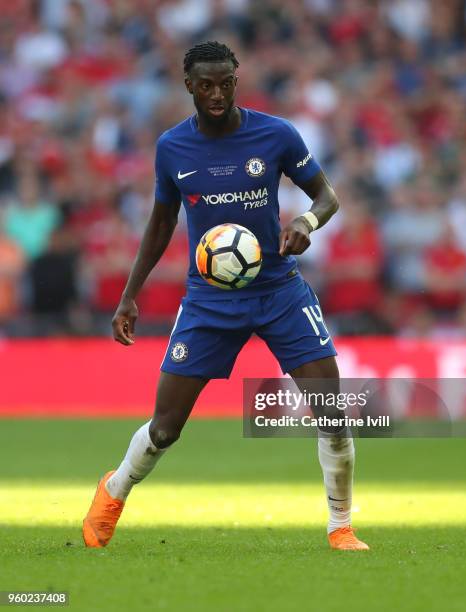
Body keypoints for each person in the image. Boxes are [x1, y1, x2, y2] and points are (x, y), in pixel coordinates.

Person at [82, 41, 369, 552]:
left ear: (237, 80)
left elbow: (327, 196)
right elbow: (162, 221)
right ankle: (115, 490)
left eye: (226, 83)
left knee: (331, 410)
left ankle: (340, 526)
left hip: (280, 290)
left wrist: (305, 221)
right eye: (207, 85)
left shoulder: (275, 134)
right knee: (166, 428)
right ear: (189, 85)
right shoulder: (173, 148)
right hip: (209, 300)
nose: (218, 94)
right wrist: (130, 294)